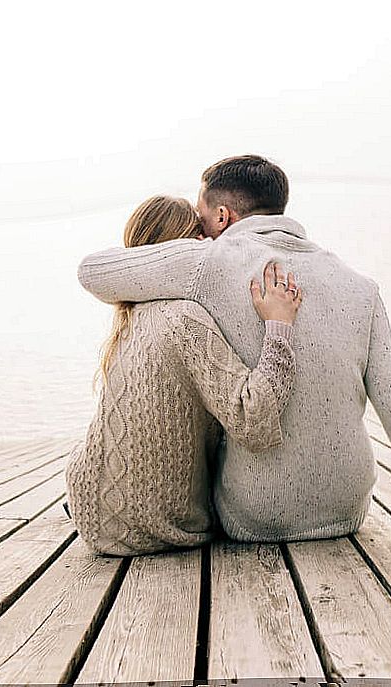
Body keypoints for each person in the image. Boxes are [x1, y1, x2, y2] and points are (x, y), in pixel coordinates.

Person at [77, 155, 391, 560]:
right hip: (347, 510)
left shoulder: (207, 260)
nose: (199, 230)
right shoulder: (361, 287)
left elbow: (93, 272)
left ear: (221, 215)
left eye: (201, 217)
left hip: (251, 520)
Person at [65, 194, 303, 557]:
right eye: (197, 236)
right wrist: (279, 327)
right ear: (178, 250)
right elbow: (254, 420)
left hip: (93, 517)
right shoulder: (186, 319)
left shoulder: (129, 318)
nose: (208, 245)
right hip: (162, 530)